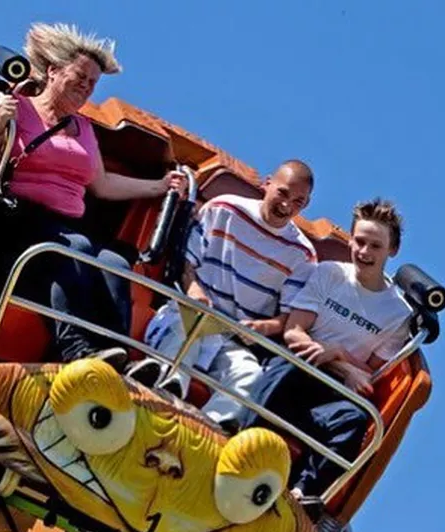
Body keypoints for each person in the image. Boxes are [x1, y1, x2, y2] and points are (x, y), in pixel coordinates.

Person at [0, 22, 186, 363]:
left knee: (113, 262)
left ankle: (115, 356)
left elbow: (102, 184)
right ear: (52, 72)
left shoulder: (81, 128)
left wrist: (158, 187)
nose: (86, 87)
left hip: (65, 226)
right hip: (16, 218)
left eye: (92, 83)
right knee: (75, 248)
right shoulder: (18, 105)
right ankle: (75, 349)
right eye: (80, 76)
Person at [239, 199, 413, 512]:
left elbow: (369, 375)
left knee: (353, 419)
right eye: (359, 242)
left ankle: (304, 495)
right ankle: (237, 445)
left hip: (331, 389)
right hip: (298, 366)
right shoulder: (330, 274)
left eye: (375, 246)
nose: (364, 252)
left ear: (392, 251)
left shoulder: (397, 314)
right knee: (287, 368)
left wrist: (336, 354)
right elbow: (294, 332)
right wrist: (338, 361)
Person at [134, 160, 317, 428]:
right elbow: (186, 263)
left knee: (250, 375)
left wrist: (264, 327)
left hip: (233, 336)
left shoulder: (302, 254)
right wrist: (194, 290)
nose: (287, 205)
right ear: (267, 184)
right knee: (185, 336)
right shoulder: (225, 209)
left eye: (298, 202)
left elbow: (288, 319)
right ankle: (162, 391)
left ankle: (207, 430)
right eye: (283, 193)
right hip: (191, 312)